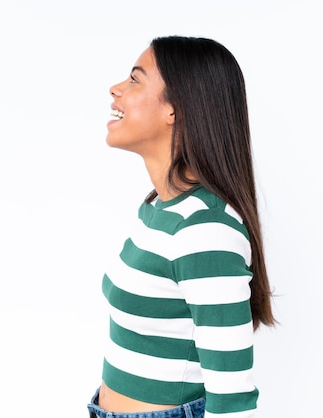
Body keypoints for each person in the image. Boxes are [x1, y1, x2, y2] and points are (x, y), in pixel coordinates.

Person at [87, 35, 275, 418]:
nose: (116, 89)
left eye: (135, 80)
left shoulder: (205, 229)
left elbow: (233, 400)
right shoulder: (159, 208)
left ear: (175, 109)